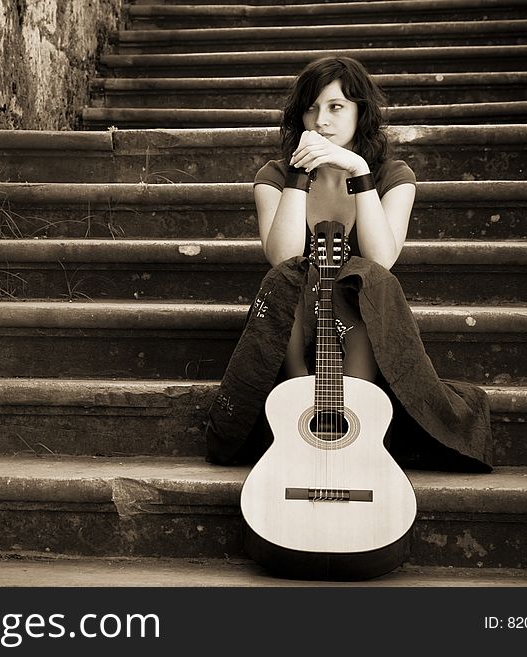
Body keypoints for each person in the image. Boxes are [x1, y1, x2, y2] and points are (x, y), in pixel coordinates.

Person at [205, 56, 493, 472]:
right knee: (286, 275)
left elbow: (382, 259)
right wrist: (300, 176)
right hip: (295, 329)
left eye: (336, 107)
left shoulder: (393, 174)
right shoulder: (275, 174)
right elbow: (283, 257)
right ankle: (299, 390)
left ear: (361, 112)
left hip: (364, 327)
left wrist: (359, 172)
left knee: (370, 276)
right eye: (311, 107)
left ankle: (356, 404)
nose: (321, 120)